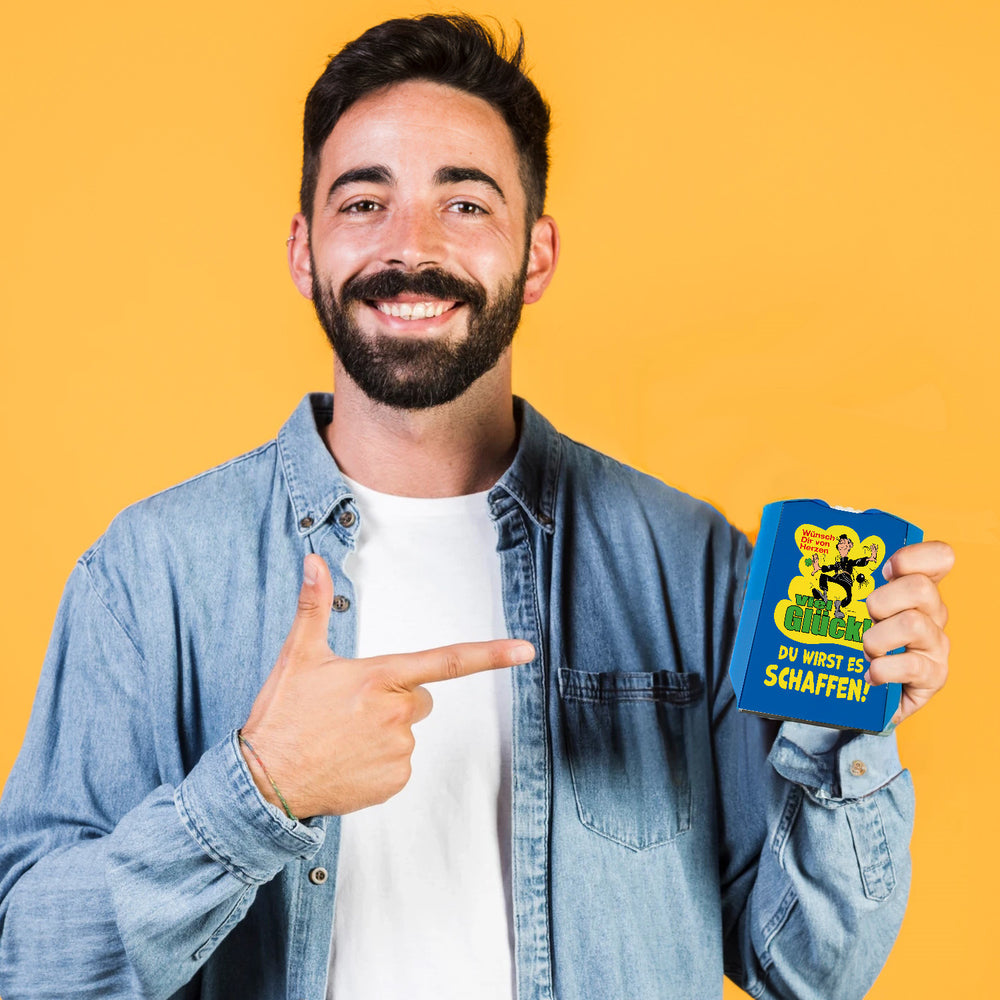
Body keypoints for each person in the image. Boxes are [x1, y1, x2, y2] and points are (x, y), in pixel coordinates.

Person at [0, 14, 953, 1000]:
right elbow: (33, 967)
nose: (410, 247)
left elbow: (808, 970)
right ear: (303, 250)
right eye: (363, 201)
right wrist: (258, 788)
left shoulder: (689, 562)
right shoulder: (151, 574)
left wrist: (847, 721)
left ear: (535, 255)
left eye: (463, 203)